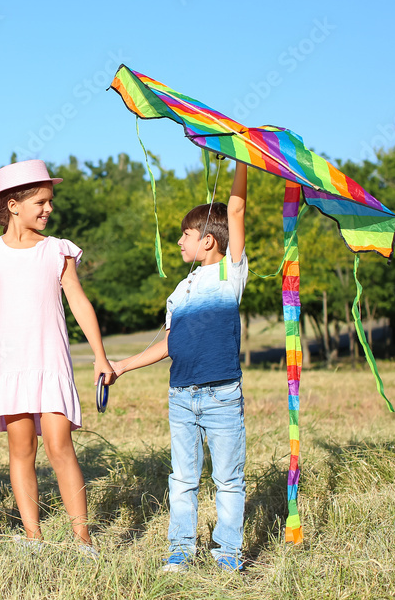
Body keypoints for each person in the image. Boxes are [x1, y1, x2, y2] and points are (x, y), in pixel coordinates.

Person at [0, 159, 114, 554]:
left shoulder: (58, 251)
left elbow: (79, 303)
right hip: (11, 365)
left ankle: (82, 537)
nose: (49, 209)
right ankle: (33, 536)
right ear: (13, 204)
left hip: (50, 362)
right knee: (21, 451)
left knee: (59, 445)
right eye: (42, 202)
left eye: (50, 202)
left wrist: (101, 356)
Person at [110, 162, 248, 572]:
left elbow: (236, 212)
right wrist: (123, 365)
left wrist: (241, 157)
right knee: (182, 478)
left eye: (184, 235)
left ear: (208, 240)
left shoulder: (230, 272)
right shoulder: (180, 290)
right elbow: (171, 343)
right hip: (181, 396)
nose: (177, 241)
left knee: (228, 480)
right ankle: (181, 550)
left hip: (222, 395)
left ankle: (227, 553)